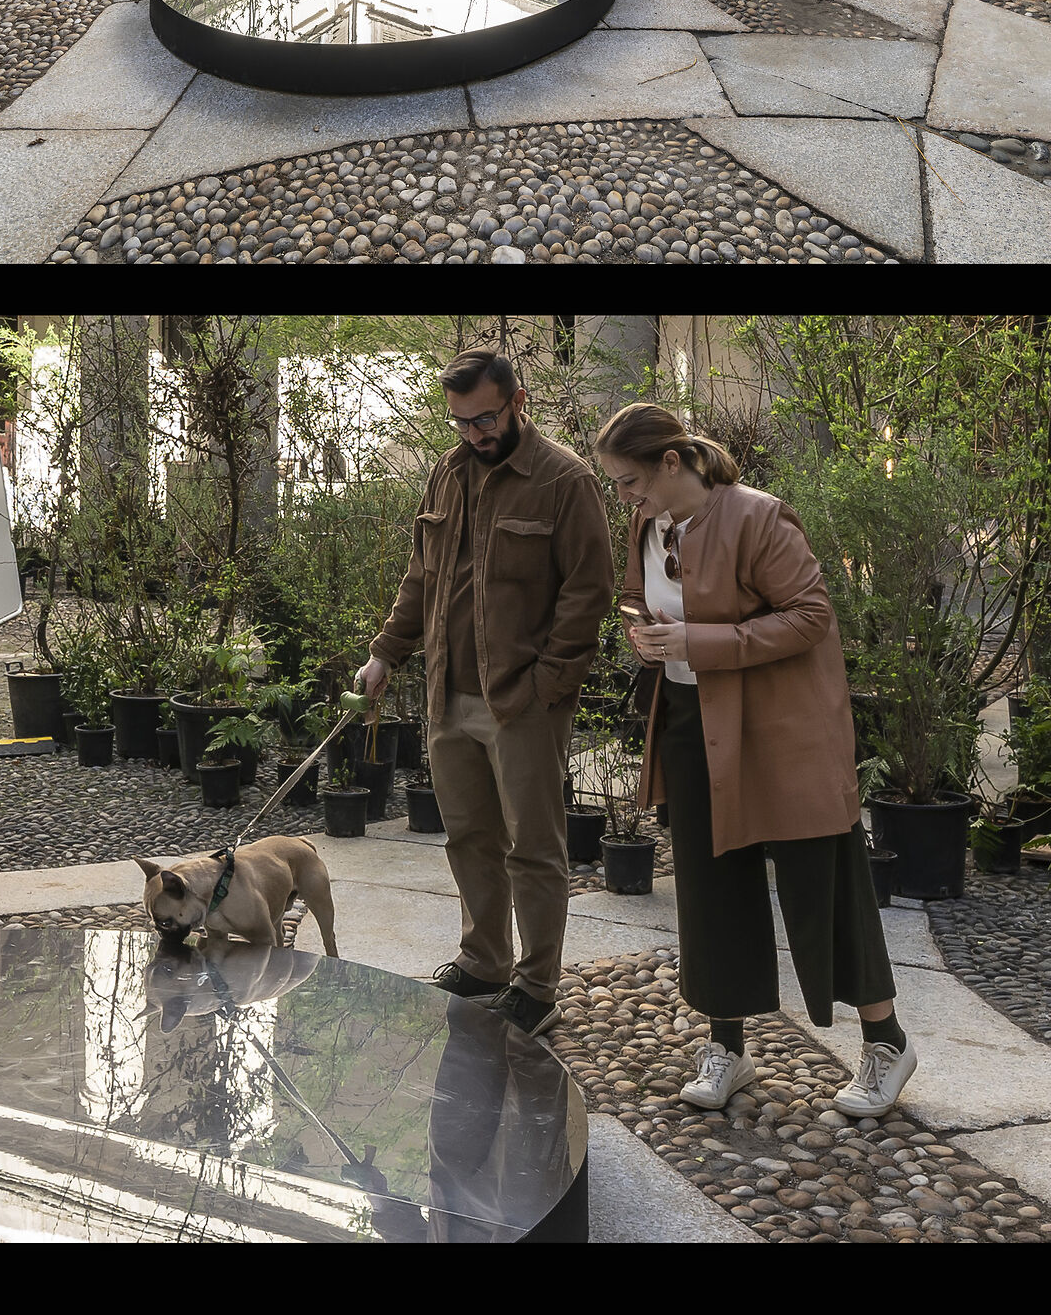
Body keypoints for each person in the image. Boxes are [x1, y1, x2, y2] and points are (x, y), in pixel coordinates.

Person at [593, 401, 916, 1118]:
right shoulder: (645, 525)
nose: (623, 497)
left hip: (781, 730)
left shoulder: (758, 517)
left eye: (627, 482)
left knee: (820, 884)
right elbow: (636, 598)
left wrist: (698, 642)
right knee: (709, 890)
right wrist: (644, 634)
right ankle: (727, 1047)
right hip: (687, 722)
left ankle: (885, 1043)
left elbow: (809, 616)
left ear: (669, 463)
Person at [356, 349, 613, 1036]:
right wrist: (386, 653)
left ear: (517, 401)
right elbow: (421, 577)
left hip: (521, 704)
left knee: (532, 846)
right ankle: (483, 960)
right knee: (468, 836)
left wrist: (548, 685)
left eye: (485, 419)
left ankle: (536, 985)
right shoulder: (445, 474)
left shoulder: (564, 481)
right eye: (461, 423)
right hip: (447, 695)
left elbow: (588, 593)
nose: (473, 434)